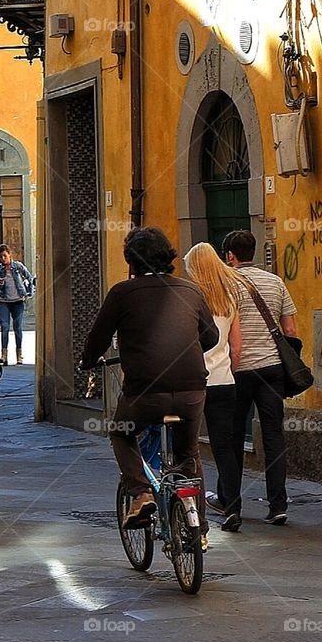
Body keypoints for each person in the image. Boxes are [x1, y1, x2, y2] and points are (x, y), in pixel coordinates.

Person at [80, 227, 218, 534]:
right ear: (167, 256)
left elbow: (98, 337)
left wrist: (88, 361)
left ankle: (141, 493)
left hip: (145, 390)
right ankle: (200, 528)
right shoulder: (191, 291)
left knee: (121, 432)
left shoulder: (122, 293)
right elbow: (211, 337)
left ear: (131, 261)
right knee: (188, 453)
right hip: (192, 389)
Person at [222, 229, 299, 526]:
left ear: (230, 255)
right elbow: (290, 330)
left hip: (237, 370)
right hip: (271, 369)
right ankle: (278, 504)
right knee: (274, 436)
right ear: (252, 251)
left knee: (231, 437)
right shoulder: (276, 281)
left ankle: (232, 506)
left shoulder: (227, 282)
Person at [184, 242, 246, 532]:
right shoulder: (229, 299)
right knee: (226, 448)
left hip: (193, 382)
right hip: (224, 382)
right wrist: (227, 372)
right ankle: (233, 507)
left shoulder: (188, 298)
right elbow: (237, 348)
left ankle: (191, 509)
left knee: (186, 447)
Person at [0, 243, 34, 365]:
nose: (3, 259)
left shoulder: (18, 266)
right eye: (0, 257)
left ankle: (19, 354)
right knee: (4, 328)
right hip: (4, 302)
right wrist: (0, 283)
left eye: (5, 256)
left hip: (18, 302)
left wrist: (28, 292)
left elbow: (29, 277)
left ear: (10, 255)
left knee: (18, 328)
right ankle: (4, 355)